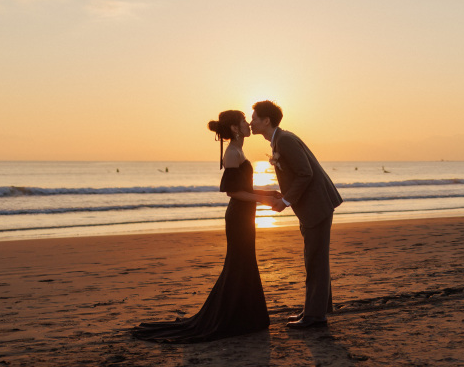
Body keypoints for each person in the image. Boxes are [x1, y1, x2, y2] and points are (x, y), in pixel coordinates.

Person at [132, 110, 279, 343]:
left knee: (243, 262)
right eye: (243, 121)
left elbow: (246, 189)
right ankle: (236, 318)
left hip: (245, 214)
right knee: (239, 262)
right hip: (238, 216)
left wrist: (269, 192)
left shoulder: (238, 150)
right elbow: (232, 192)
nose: (248, 124)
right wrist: (267, 200)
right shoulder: (232, 153)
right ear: (234, 128)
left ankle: (246, 317)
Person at [250, 101, 343, 329]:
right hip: (311, 207)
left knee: (316, 260)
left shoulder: (285, 140)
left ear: (266, 120)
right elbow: (298, 175)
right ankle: (315, 310)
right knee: (314, 258)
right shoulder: (279, 140)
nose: (251, 122)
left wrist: (285, 200)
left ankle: (315, 316)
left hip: (317, 206)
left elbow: (305, 173)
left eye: (254, 118)